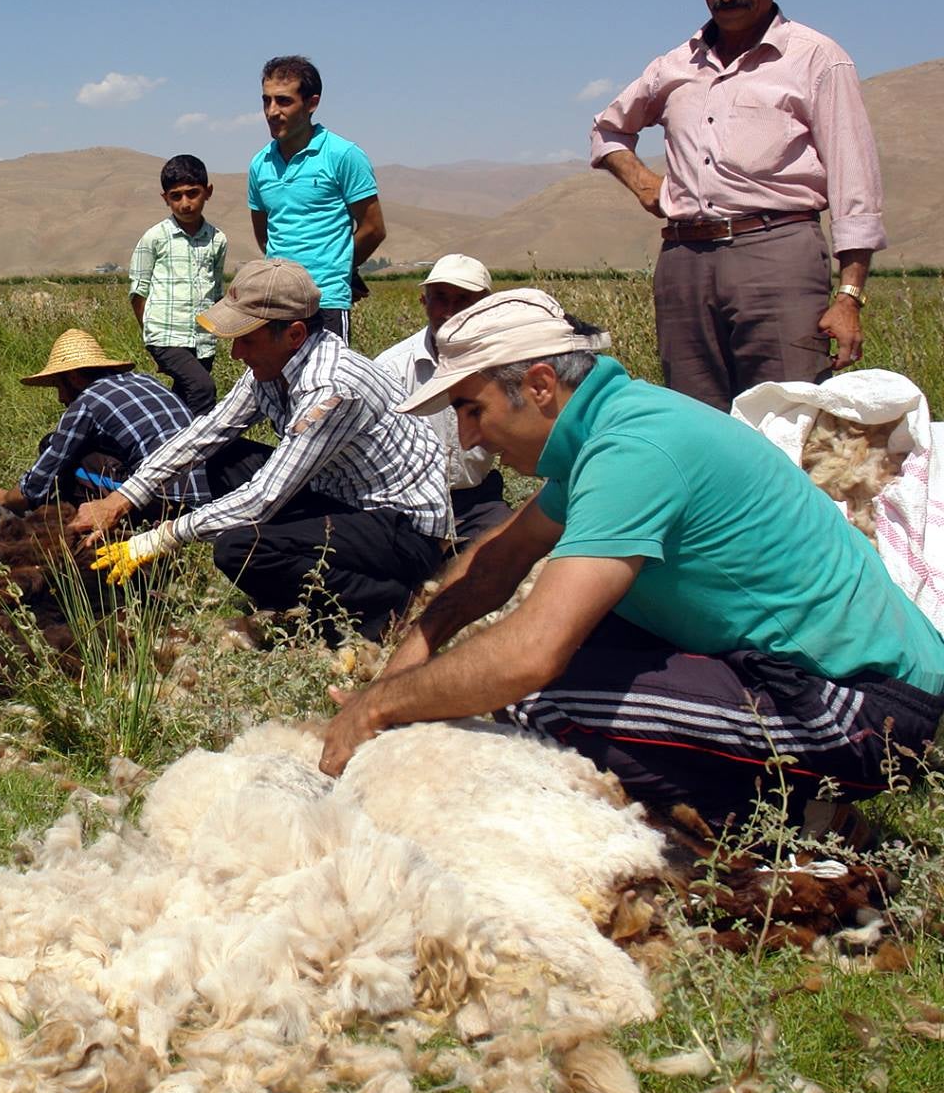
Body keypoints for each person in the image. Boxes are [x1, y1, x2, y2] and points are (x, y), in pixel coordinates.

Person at [320, 289, 941, 833]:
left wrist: (379, 707)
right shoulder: (611, 428)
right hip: (809, 676)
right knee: (548, 657)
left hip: (867, 710)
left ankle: (776, 819)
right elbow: (499, 561)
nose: (468, 437)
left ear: (540, 386)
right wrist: (411, 655)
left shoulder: (634, 450)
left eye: (472, 409)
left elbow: (531, 655)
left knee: (539, 702)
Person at [591, 0, 883, 411]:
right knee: (696, 417)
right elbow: (608, 129)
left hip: (777, 252)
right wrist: (643, 184)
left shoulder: (817, 58)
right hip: (684, 260)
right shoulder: (674, 65)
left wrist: (849, 295)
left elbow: (855, 185)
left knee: (785, 413)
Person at [70, 259, 448, 639]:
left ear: (294, 334)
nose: (235, 353)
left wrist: (160, 538)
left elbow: (264, 497)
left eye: (247, 339)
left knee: (238, 549)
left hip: (403, 529)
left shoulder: (332, 389)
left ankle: (385, 608)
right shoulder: (273, 367)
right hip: (344, 499)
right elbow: (205, 434)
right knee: (221, 458)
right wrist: (121, 499)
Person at [0, 329, 246, 511]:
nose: (61, 398)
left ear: (74, 378)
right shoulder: (144, 380)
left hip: (166, 500)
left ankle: (81, 511)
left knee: (64, 458)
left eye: (59, 386)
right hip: (207, 486)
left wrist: (4, 499)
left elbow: (34, 487)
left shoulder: (87, 401)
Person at [371, 254, 512, 545]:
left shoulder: (507, 364)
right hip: (404, 503)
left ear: (486, 307)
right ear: (424, 302)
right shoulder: (391, 368)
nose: (450, 312)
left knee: (507, 552)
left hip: (476, 501)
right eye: (440, 298)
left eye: (463, 300)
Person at [246, 56, 384, 342]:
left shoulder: (342, 155)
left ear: (312, 103)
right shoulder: (260, 164)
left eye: (284, 101)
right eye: (266, 101)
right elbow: (265, 236)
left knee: (329, 371)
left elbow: (373, 228)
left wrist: (339, 267)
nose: (272, 111)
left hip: (326, 300)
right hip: (277, 302)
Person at [128, 154, 228, 416]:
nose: (185, 203)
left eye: (192, 193)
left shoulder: (217, 240)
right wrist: (152, 339)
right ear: (165, 198)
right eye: (176, 196)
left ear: (208, 192)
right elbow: (138, 292)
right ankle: (205, 441)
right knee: (203, 389)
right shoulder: (155, 238)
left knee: (184, 400)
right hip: (165, 335)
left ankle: (161, 434)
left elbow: (217, 290)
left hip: (203, 337)